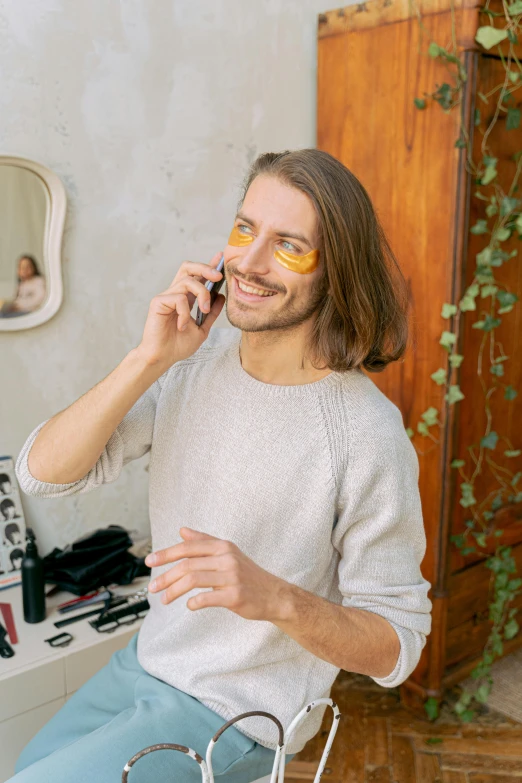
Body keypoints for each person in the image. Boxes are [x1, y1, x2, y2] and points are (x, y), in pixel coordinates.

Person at [13, 149, 432, 783]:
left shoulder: (368, 435)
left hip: (235, 715)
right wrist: (148, 359)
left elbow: (399, 643)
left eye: (288, 245)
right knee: (27, 766)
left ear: (336, 273)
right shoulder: (190, 369)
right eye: (244, 229)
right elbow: (43, 473)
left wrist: (275, 599)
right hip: (146, 664)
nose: (249, 261)